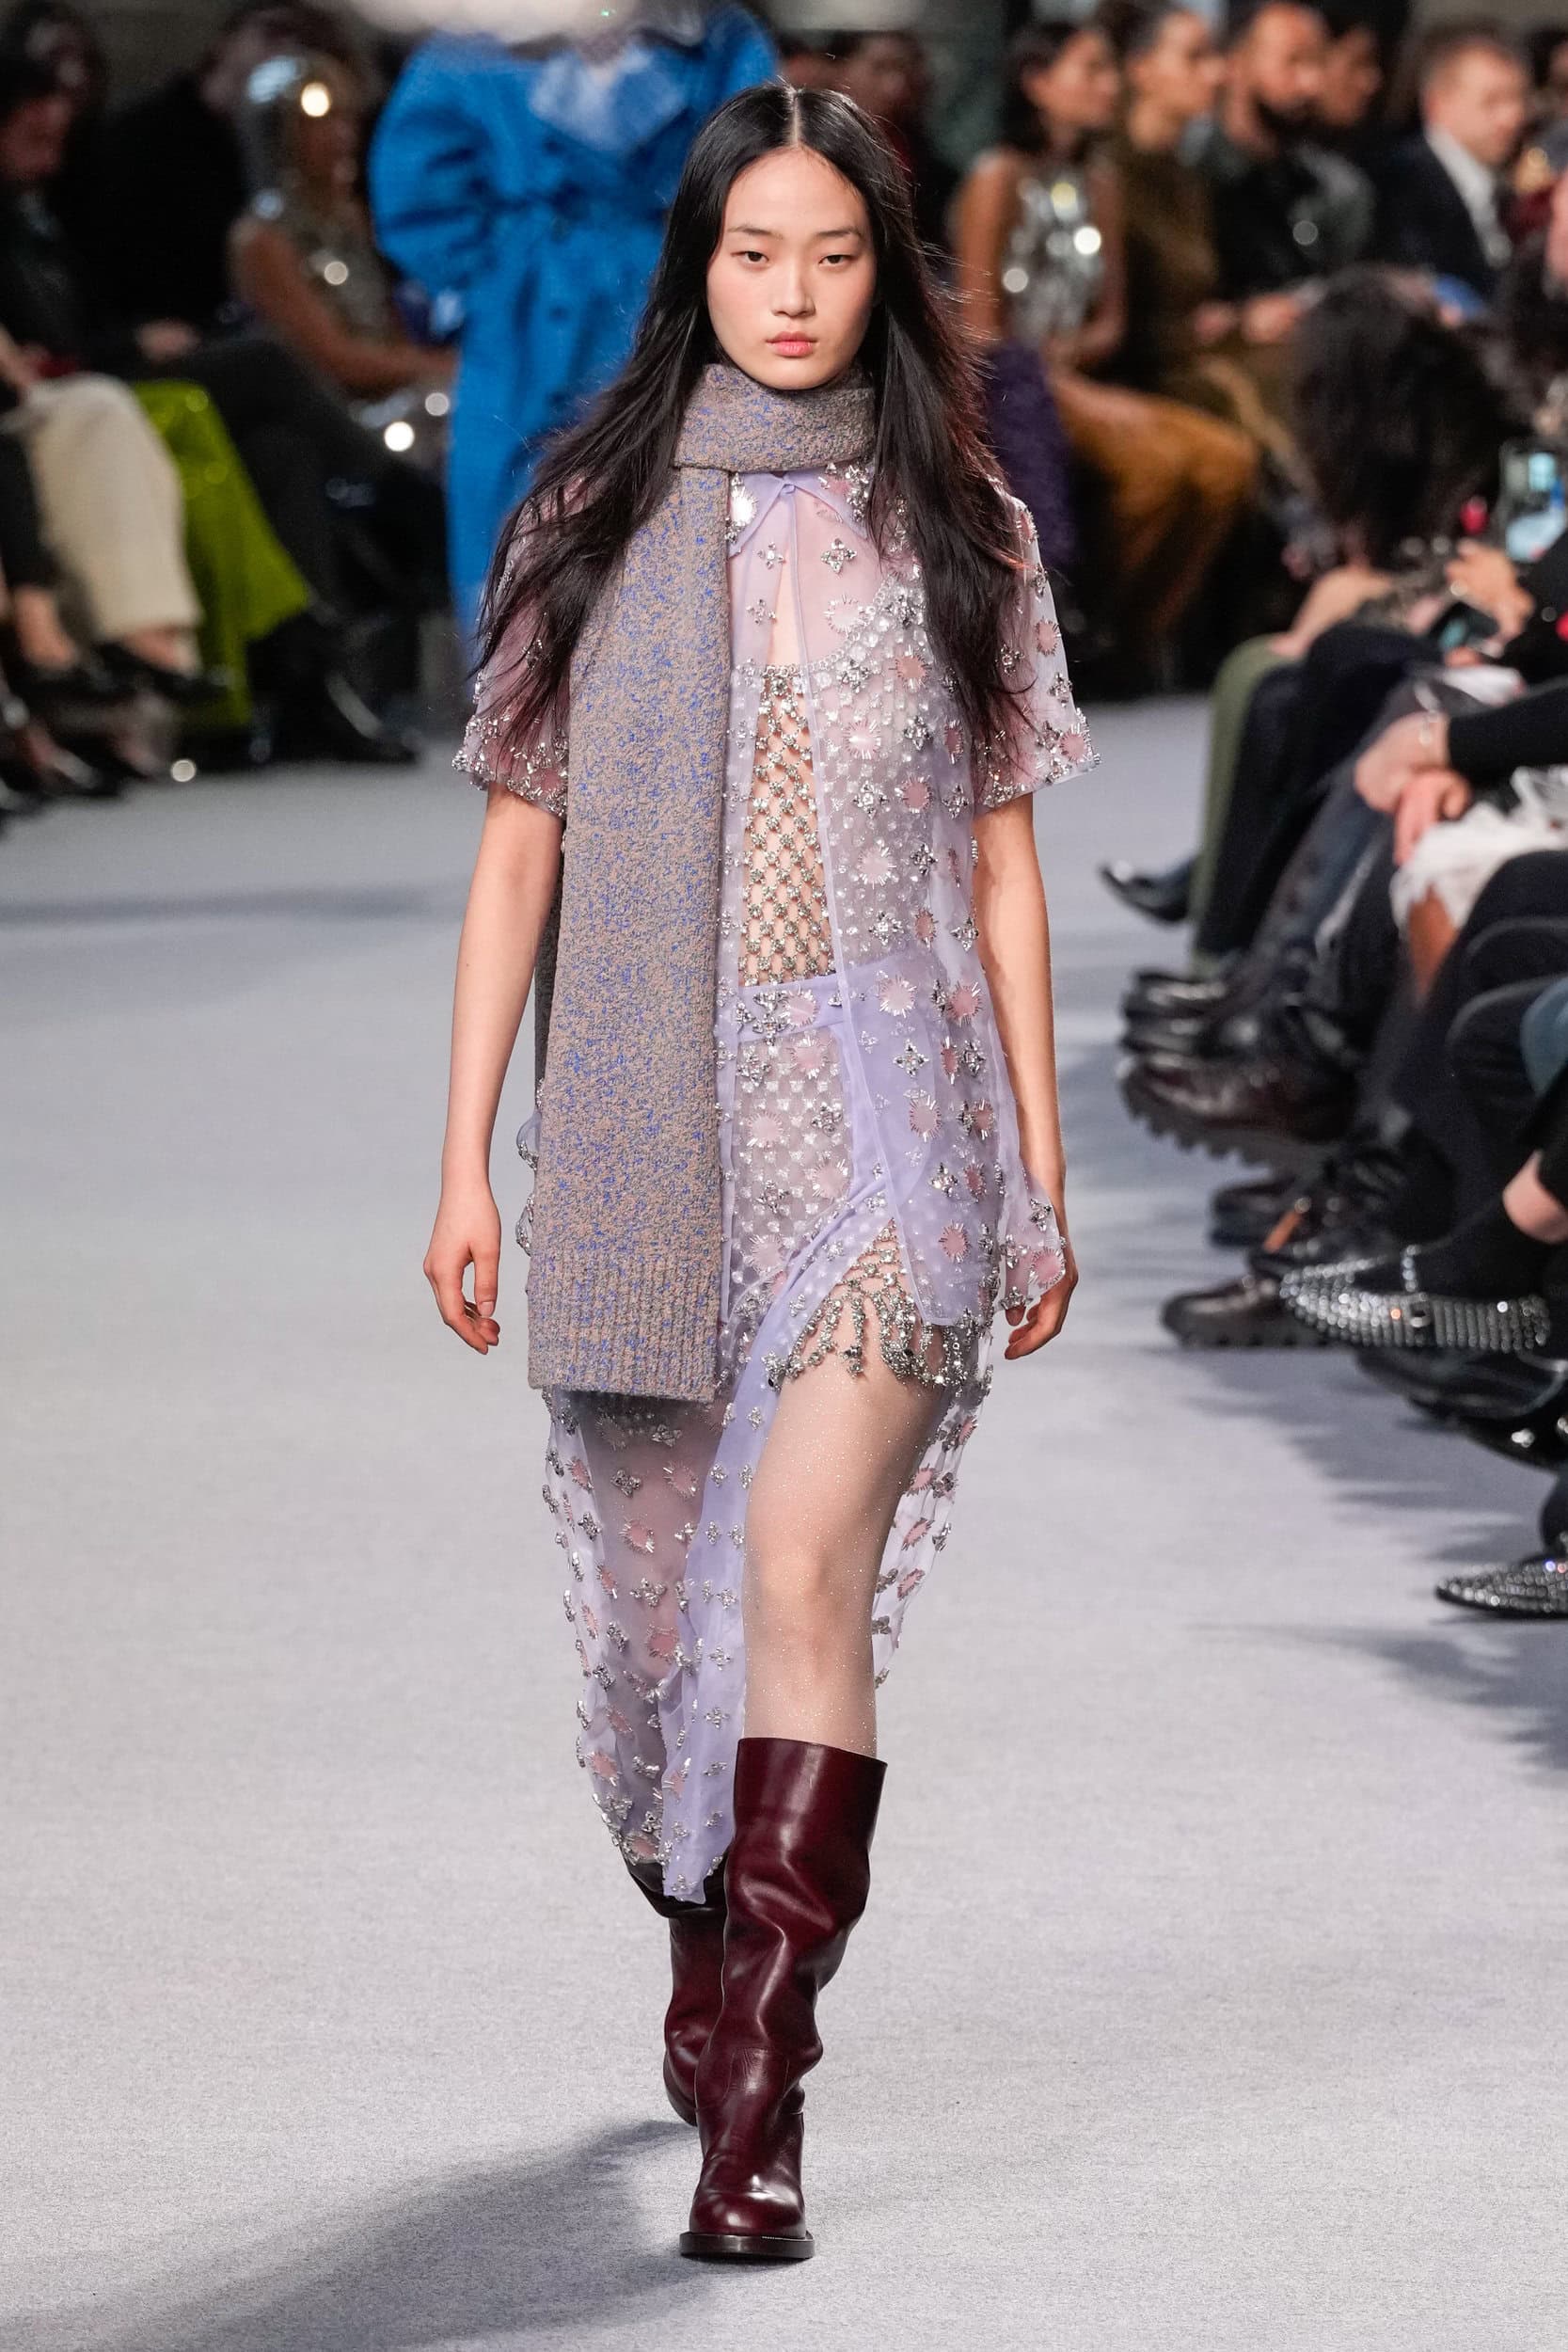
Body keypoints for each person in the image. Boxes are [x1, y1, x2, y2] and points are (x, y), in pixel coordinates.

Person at [424, 83, 1088, 2262]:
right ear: (693, 264)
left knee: (798, 1574)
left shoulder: (958, 522)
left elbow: (1001, 862)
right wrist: (463, 1162)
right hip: (647, 1124)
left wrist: (1040, 1168)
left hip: (894, 1123)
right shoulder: (586, 514)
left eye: (833, 253)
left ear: (883, 273)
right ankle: (701, 1935)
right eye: (752, 252)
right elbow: (515, 845)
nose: (791, 296)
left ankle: (761, 2096)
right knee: (652, 1662)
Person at [370, 5, 776, 639]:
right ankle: (519, 692)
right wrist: (495, 279)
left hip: (666, 301)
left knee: (674, 510)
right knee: (516, 531)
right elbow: (415, 187)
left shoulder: (713, 32)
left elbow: (762, 162)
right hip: (530, 321)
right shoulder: (473, 38)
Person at [953, 18, 1256, 677]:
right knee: (1156, 471)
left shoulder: (1100, 181)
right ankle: (1081, 628)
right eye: (1089, 69)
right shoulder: (997, 176)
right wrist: (1055, 377)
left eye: (1108, 69)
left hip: (1083, 374)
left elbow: (1110, 320)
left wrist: (1075, 365)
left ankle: (1128, 636)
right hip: (1012, 386)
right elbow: (979, 329)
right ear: (1037, 82)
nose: (1108, 85)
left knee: (1226, 462)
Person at [80, 0, 353, 335]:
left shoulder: (289, 160)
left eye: (308, 44)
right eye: (275, 33)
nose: (288, 55)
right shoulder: (140, 136)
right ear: (225, 41)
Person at [230, 50, 454, 457]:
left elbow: (390, 325)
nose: (341, 136)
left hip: (397, 391)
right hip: (330, 420)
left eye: (345, 119)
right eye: (319, 121)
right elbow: (331, 359)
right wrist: (440, 367)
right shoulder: (262, 239)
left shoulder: (352, 217)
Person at [1198, 1, 1372, 310]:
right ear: (1237, 63)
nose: (1311, 84)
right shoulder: (1193, 173)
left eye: (1318, 63)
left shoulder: (1335, 190)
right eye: (1293, 61)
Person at [1374, 25, 1530, 303]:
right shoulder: (1400, 184)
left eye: (1518, 101)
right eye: (1492, 101)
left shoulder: (1503, 194)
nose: (1512, 118)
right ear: (1438, 104)